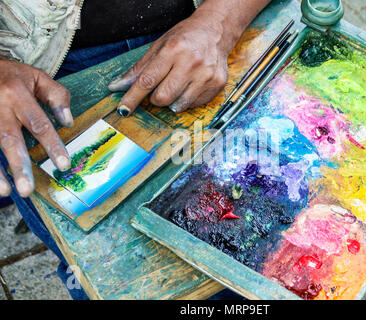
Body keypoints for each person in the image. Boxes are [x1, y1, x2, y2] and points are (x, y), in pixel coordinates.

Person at [0, 0, 271, 299]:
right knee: (121, 275)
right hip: (42, 68)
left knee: (256, 253)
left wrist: (222, 19)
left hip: (214, 24)